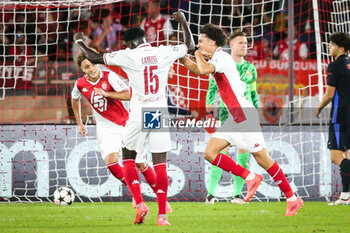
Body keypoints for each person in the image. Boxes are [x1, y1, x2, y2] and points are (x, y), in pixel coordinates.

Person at [73, 11, 195, 225]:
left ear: (129, 44)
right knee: (160, 163)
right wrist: (183, 22)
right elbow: (190, 46)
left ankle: (138, 202)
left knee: (128, 157)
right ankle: (162, 216)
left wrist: (81, 43)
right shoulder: (163, 51)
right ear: (145, 39)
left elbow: (94, 57)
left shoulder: (127, 55)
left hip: (138, 112)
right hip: (157, 112)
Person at [180, 23, 303, 216]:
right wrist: (180, 57)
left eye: (201, 40)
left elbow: (203, 70)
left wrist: (195, 52)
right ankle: (251, 177)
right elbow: (197, 69)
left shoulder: (221, 57)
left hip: (243, 116)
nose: (199, 44)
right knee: (210, 153)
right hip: (235, 117)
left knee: (264, 159)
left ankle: (291, 198)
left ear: (211, 42)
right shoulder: (216, 57)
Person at [71, 50, 172, 212]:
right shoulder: (80, 84)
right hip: (105, 129)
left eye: (93, 64)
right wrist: (80, 122)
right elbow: (74, 98)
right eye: (87, 67)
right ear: (83, 70)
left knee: (140, 163)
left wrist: (106, 93)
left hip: (125, 124)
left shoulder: (109, 76)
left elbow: (129, 93)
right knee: (111, 163)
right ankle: (139, 199)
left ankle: (163, 200)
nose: (92, 69)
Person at [205, 31, 259, 204]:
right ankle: (211, 194)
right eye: (241, 43)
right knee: (219, 154)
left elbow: (253, 93)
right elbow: (211, 91)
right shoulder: (222, 63)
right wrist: (209, 113)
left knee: (243, 155)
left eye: (246, 42)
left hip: (246, 117)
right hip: (225, 114)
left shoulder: (251, 69)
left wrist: (256, 114)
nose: (245, 45)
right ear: (232, 45)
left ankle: (237, 195)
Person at [315, 32, 350, 205]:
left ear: (341, 48)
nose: (329, 47)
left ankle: (345, 196)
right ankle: (345, 196)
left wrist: (319, 107)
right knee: (346, 154)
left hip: (340, 117)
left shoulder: (335, 66)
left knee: (336, 157)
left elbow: (330, 94)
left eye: (332, 45)